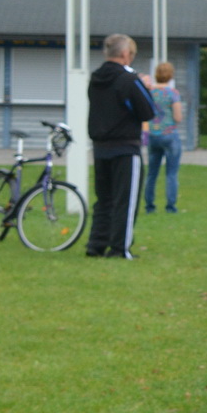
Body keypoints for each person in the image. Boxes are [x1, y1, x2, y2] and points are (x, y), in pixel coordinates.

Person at [85, 33, 156, 258]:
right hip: (126, 147)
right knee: (125, 201)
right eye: (132, 55)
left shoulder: (95, 79)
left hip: (100, 147)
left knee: (104, 200)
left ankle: (96, 245)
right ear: (125, 54)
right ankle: (119, 249)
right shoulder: (129, 80)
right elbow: (147, 111)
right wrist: (145, 88)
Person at [142, 62, 185, 215]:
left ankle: (149, 206)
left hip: (153, 135)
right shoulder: (173, 93)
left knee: (152, 173)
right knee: (171, 173)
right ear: (171, 75)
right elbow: (178, 117)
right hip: (169, 135)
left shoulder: (149, 92)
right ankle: (171, 206)